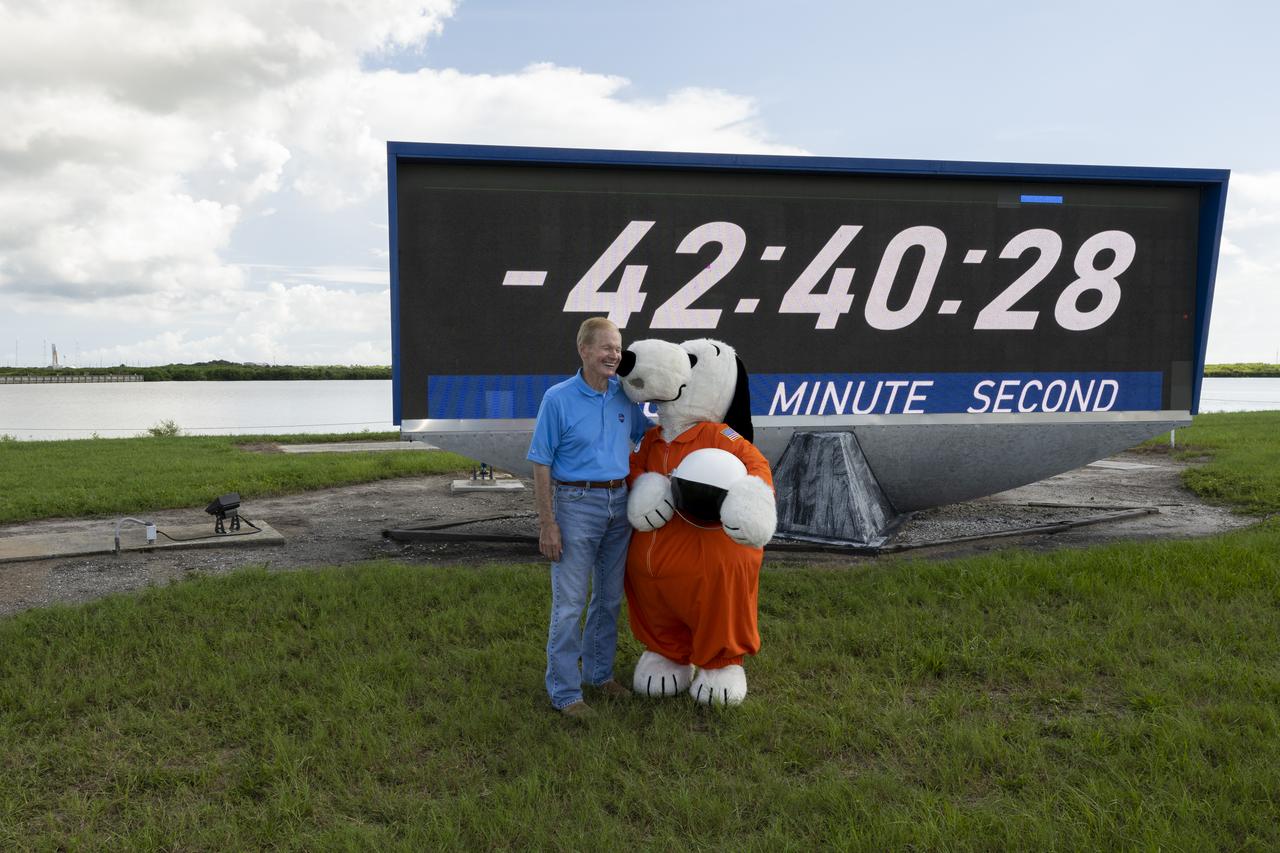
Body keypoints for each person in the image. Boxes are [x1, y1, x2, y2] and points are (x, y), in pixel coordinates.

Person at [527, 317, 650, 719]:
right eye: (606, 348)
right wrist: (548, 523)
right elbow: (542, 464)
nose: (615, 355)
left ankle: (600, 676)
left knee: (609, 599)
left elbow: (647, 436)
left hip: (620, 504)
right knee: (569, 604)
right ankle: (565, 693)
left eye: (618, 348)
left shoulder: (623, 397)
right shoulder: (558, 399)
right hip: (576, 505)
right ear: (584, 350)